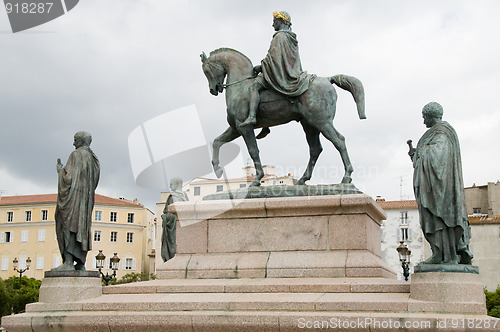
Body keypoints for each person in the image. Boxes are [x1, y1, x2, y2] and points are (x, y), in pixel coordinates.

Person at [409, 102, 472, 264]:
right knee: (434, 219)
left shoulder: (442, 132)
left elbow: (438, 155)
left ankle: (445, 255)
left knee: (439, 219)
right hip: (434, 186)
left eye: (424, 118)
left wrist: (420, 153)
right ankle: (439, 253)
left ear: (431, 116)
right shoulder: (436, 133)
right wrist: (416, 155)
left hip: (441, 190)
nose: (424, 122)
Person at [240, 11, 313, 128]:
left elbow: (273, 57)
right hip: (289, 71)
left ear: (282, 21)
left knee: (254, 86)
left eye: (275, 21)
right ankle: (265, 126)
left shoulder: (279, 37)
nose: (273, 24)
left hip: (279, 73)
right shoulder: (290, 37)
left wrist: (261, 66)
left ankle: (252, 116)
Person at [54, 131, 100, 271]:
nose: (73, 143)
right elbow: (95, 180)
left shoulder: (75, 155)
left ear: (80, 140)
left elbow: (68, 179)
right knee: (82, 228)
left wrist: (60, 171)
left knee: (66, 224)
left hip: (73, 200)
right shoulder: (94, 159)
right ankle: (80, 263)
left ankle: (68, 262)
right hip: (86, 201)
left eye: (75, 140)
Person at [161, 177, 188, 262]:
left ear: (176, 185)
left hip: (174, 231)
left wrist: (164, 217)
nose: (169, 186)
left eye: (171, 184)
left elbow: (172, 213)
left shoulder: (173, 196)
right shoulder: (185, 196)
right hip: (185, 230)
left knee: (173, 252)